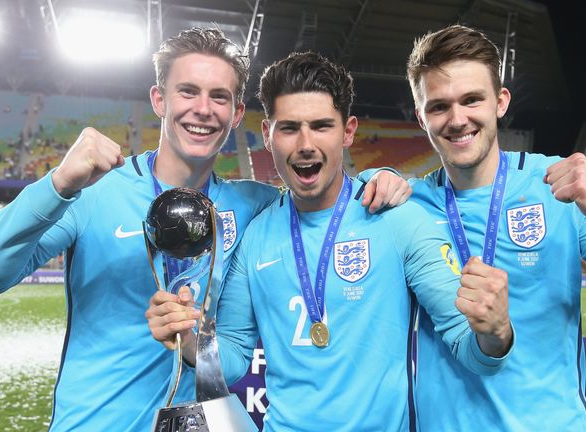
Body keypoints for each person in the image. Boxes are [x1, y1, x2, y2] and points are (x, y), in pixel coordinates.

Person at [0, 28, 408, 432]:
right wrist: (58, 184)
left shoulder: (252, 204)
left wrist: (376, 179)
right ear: (159, 100)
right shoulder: (94, 192)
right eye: (188, 92)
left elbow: (325, 193)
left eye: (220, 97)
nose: (203, 110)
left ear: (236, 114)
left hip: (204, 422)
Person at [147, 51, 514, 431]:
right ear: (269, 134)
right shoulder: (255, 236)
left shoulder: (396, 218)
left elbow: (470, 347)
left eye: (321, 126)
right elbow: (235, 357)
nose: (305, 144)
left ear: (348, 131)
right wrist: (190, 340)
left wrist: (496, 332)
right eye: (289, 128)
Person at [404, 25, 586, 430]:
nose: (457, 119)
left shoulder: (555, 186)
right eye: (438, 107)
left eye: (471, 100)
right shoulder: (407, 204)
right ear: (421, 116)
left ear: (500, 102)